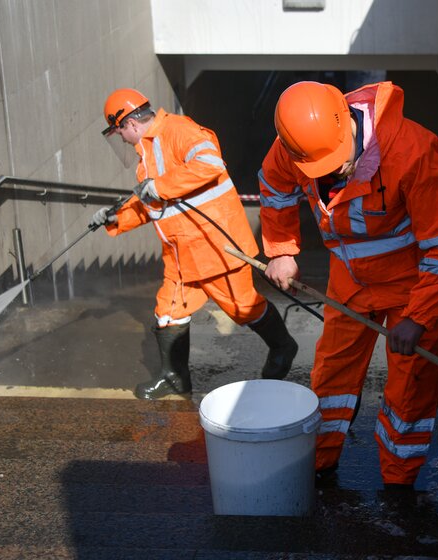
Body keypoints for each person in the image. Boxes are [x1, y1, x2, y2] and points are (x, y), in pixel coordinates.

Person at [259, 80, 438, 488]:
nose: (334, 172)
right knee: (332, 372)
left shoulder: (413, 152)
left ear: (349, 126)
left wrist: (419, 318)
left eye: (337, 161)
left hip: (412, 284)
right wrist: (282, 249)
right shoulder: (295, 145)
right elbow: (274, 184)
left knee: (410, 387)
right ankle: (318, 463)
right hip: (349, 278)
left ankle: (399, 482)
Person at [92, 88, 298, 399]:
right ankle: (174, 377)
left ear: (130, 124)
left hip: (217, 248)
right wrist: (114, 218)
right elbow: (154, 204)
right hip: (181, 254)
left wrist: (160, 186)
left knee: (243, 308)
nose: (120, 138)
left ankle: (283, 346)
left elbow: (211, 164)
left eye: (118, 131)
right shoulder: (145, 157)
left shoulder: (178, 130)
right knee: (168, 311)